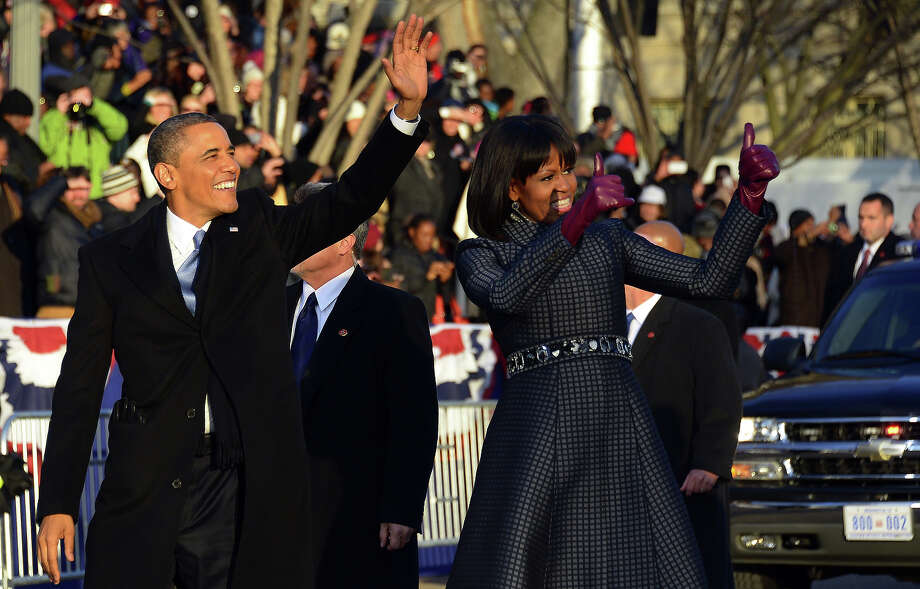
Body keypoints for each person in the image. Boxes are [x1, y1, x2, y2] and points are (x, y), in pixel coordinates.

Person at [35, 16, 433, 589]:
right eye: (212, 156)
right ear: (167, 175)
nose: (231, 165)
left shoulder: (259, 229)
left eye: (230, 152)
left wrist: (406, 114)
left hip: (243, 487)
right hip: (144, 489)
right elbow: (79, 387)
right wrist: (58, 502)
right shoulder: (110, 259)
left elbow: (349, 199)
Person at [446, 118, 778, 587]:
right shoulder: (482, 252)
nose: (565, 185)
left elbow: (710, 281)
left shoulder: (607, 239)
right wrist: (578, 221)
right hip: (537, 425)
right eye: (547, 177)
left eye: (567, 171)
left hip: (617, 417)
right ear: (511, 188)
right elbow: (505, 295)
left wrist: (748, 198)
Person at [286, 193, 437, 588]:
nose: (292, 234)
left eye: (307, 225)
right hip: (277, 521)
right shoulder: (269, 307)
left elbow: (415, 418)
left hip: (359, 520)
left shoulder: (392, 311)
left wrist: (401, 508)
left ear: (344, 241)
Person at [626, 220, 742, 589]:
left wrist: (708, 465)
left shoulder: (698, 323)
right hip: (625, 486)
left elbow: (721, 401)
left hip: (683, 484)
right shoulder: (606, 323)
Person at [24, 166, 100, 318]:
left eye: (83, 188)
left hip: (89, 306)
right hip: (57, 303)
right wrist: (61, 182)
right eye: (73, 188)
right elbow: (33, 209)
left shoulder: (95, 219)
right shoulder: (52, 215)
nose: (79, 194)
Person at [39, 74, 129, 200]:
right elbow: (45, 147)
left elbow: (119, 128)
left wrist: (94, 106)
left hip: (97, 195)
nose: (77, 104)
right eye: (74, 96)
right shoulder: (54, 119)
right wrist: (59, 114)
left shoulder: (97, 122)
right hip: (64, 195)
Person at [824, 192, 900, 321]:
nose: (863, 224)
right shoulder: (847, 252)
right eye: (861, 217)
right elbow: (832, 298)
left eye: (871, 218)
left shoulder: (899, 254)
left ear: (889, 221)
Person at [773, 208, 834, 327]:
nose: (812, 228)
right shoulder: (786, 248)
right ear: (796, 227)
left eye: (813, 224)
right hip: (793, 319)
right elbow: (780, 256)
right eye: (808, 225)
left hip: (818, 316)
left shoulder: (819, 248)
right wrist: (805, 240)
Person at [391, 214, 454, 321]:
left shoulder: (437, 257)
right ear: (412, 232)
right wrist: (427, 277)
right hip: (404, 317)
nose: (429, 240)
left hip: (432, 319)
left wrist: (446, 280)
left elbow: (447, 298)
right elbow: (397, 289)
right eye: (424, 235)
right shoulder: (398, 256)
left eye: (432, 235)